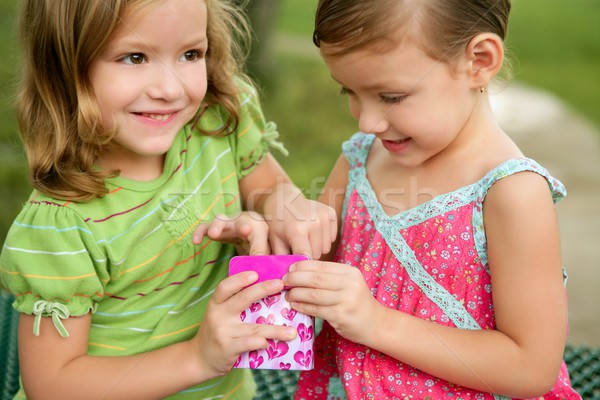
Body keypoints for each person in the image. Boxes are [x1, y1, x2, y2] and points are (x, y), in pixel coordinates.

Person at [0, 0, 336, 399]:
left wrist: (285, 210)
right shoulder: (61, 225)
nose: (171, 89)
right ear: (65, 66)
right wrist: (198, 357)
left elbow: (268, 187)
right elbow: (53, 385)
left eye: (190, 54)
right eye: (135, 57)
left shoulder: (215, 122)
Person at [282, 0, 581, 398]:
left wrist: (376, 322)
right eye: (348, 90)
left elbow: (531, 368)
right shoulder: (359, 158)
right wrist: (275, 238)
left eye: (390, 96)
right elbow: (310, 267)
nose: (367, 121)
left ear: (479, 61)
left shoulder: (510, 193)